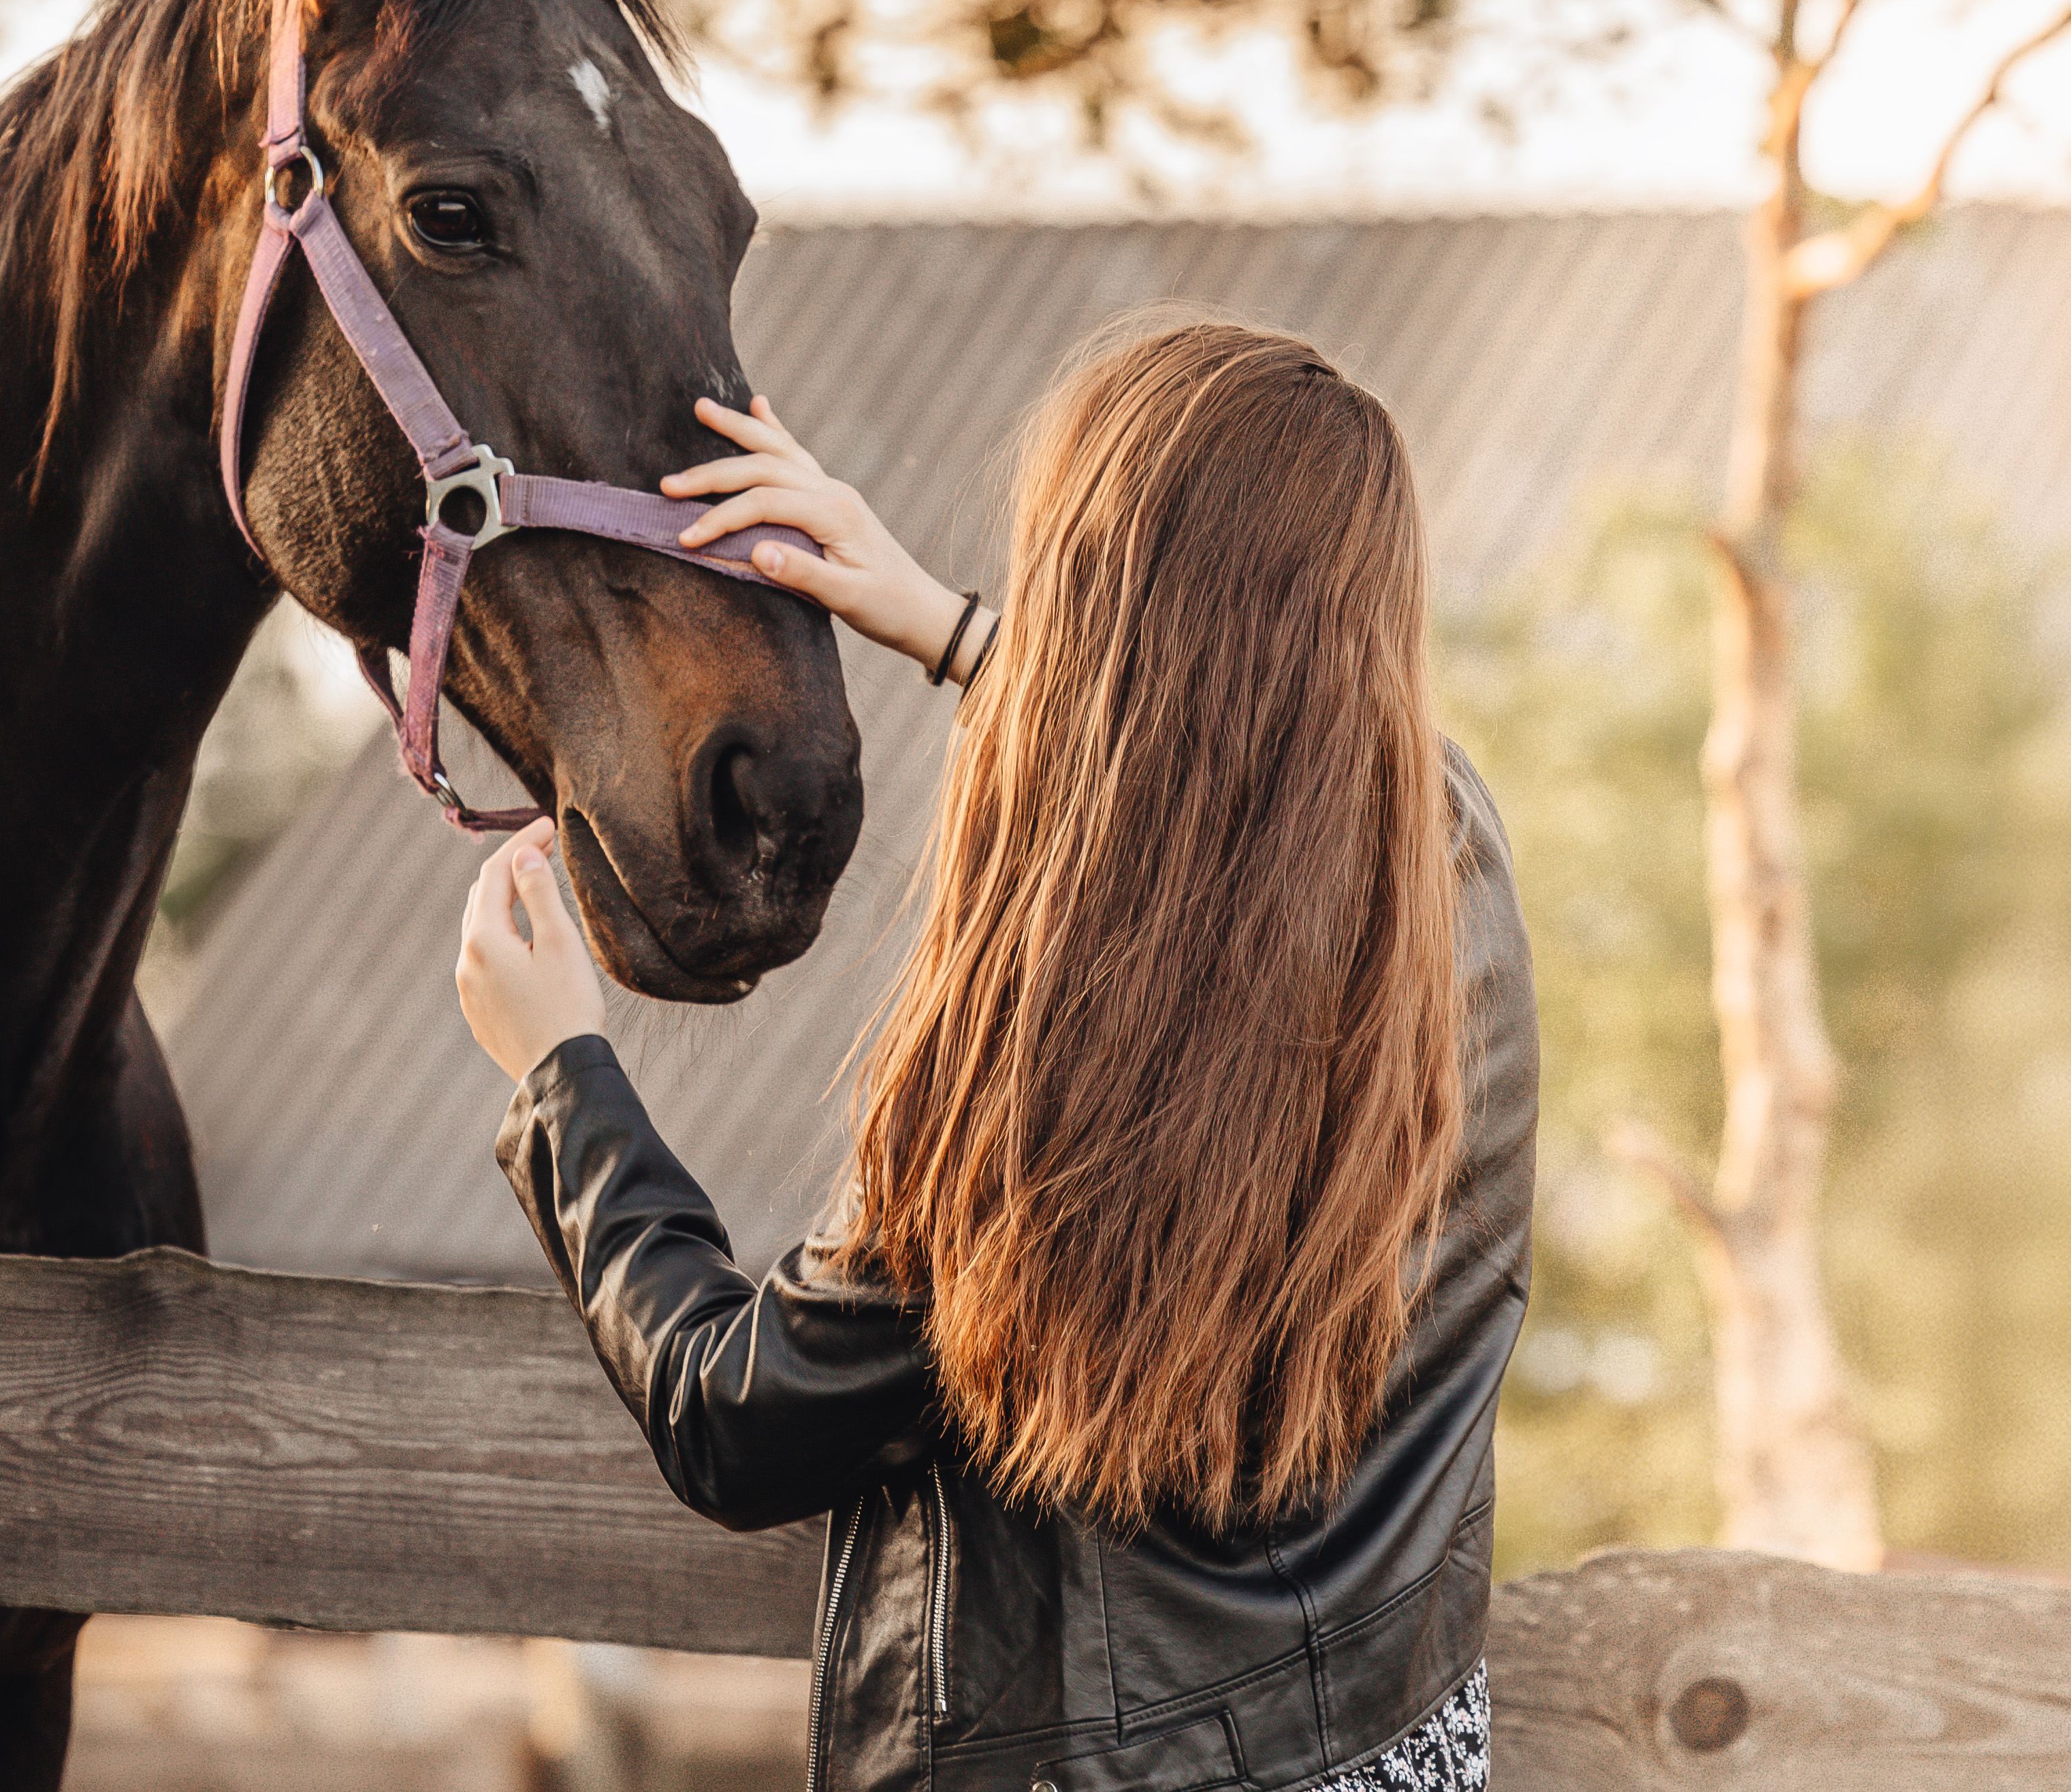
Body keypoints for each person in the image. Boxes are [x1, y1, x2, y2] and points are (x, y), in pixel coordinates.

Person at [454, 321, 1532, 1792]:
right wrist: (943, 625)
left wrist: (559, 1074)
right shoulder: (1445, 860)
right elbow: (1234, 760)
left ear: (1093, 597)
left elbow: (738, 1417)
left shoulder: (1046, 1074)